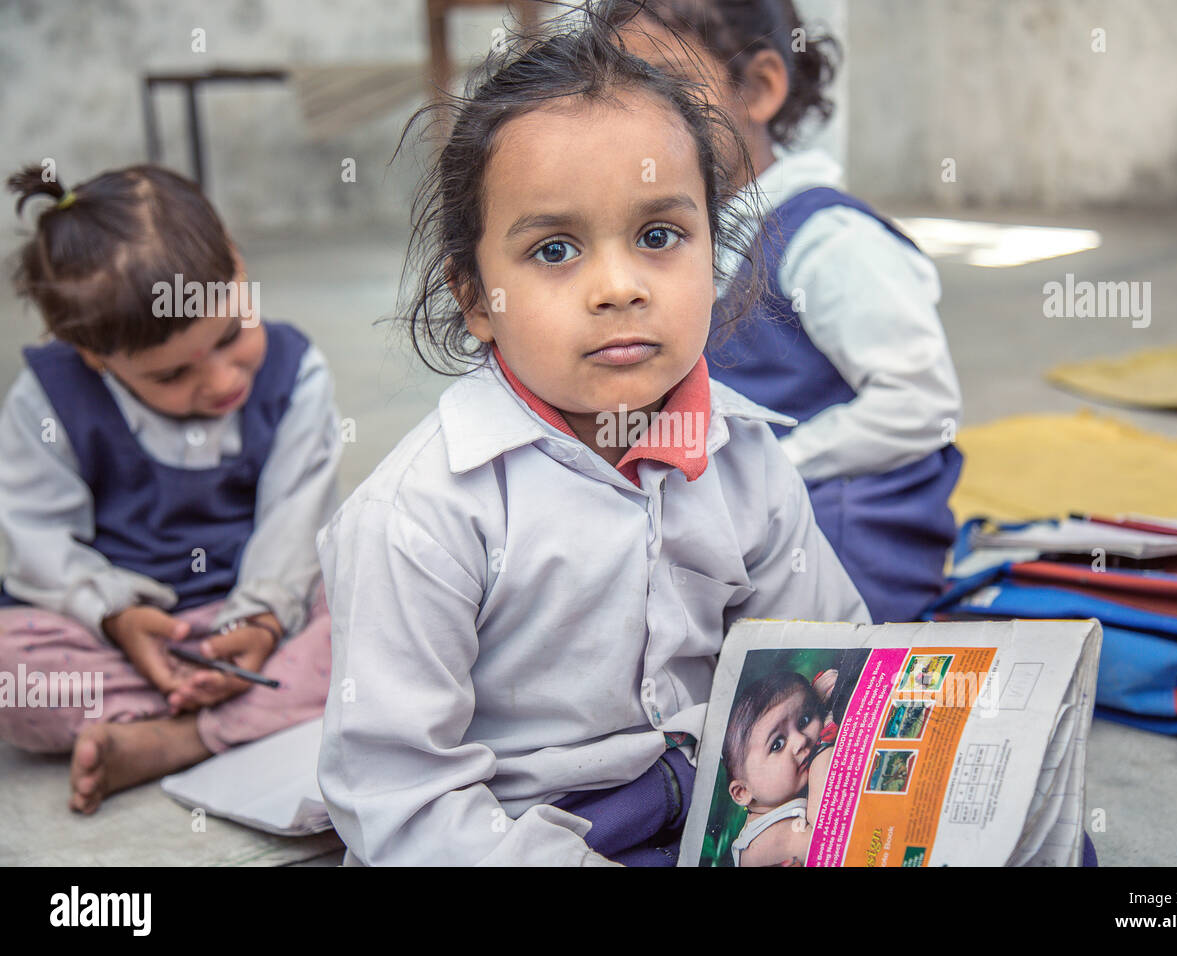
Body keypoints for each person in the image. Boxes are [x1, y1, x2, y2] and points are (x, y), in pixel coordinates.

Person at [315, 12, 870, 866]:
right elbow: (402, 800)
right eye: (556, 248)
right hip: (522, 835)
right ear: (475, 297)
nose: (618, 287)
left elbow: (828, 651)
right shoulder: (421, 516)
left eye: (658, 236)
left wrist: (826, 793)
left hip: (713, 803)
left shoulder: (746, 459)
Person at [0, 164, 340, 813]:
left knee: (382, 605)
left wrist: (262, 619)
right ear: (91, 354)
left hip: (267, 622)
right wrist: (117, 616)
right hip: (122, 641)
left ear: (238, 263)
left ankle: (177, 739)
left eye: (232, 334)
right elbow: (40, 543)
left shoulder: (298, 374)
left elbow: (298, 526)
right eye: (171, 375)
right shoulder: (47, 399)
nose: (218, 382)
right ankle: (244, 711)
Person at [612, 0, 965, 622]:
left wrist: (773, 468)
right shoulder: (675, 242)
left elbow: (920, 403)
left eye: (667, 86)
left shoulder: (828, 239)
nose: (639, 123)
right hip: (742, 532)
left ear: (760, 87)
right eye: (620, 94)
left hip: (851, 547)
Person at [722, 667, 838, 866]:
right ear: (742, 791)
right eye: (777, 744)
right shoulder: (770, 840)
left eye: (803, 720)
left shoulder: (775, 808)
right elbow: (830, 842)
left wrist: (815, 699)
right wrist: (821, 755)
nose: (800, 740)